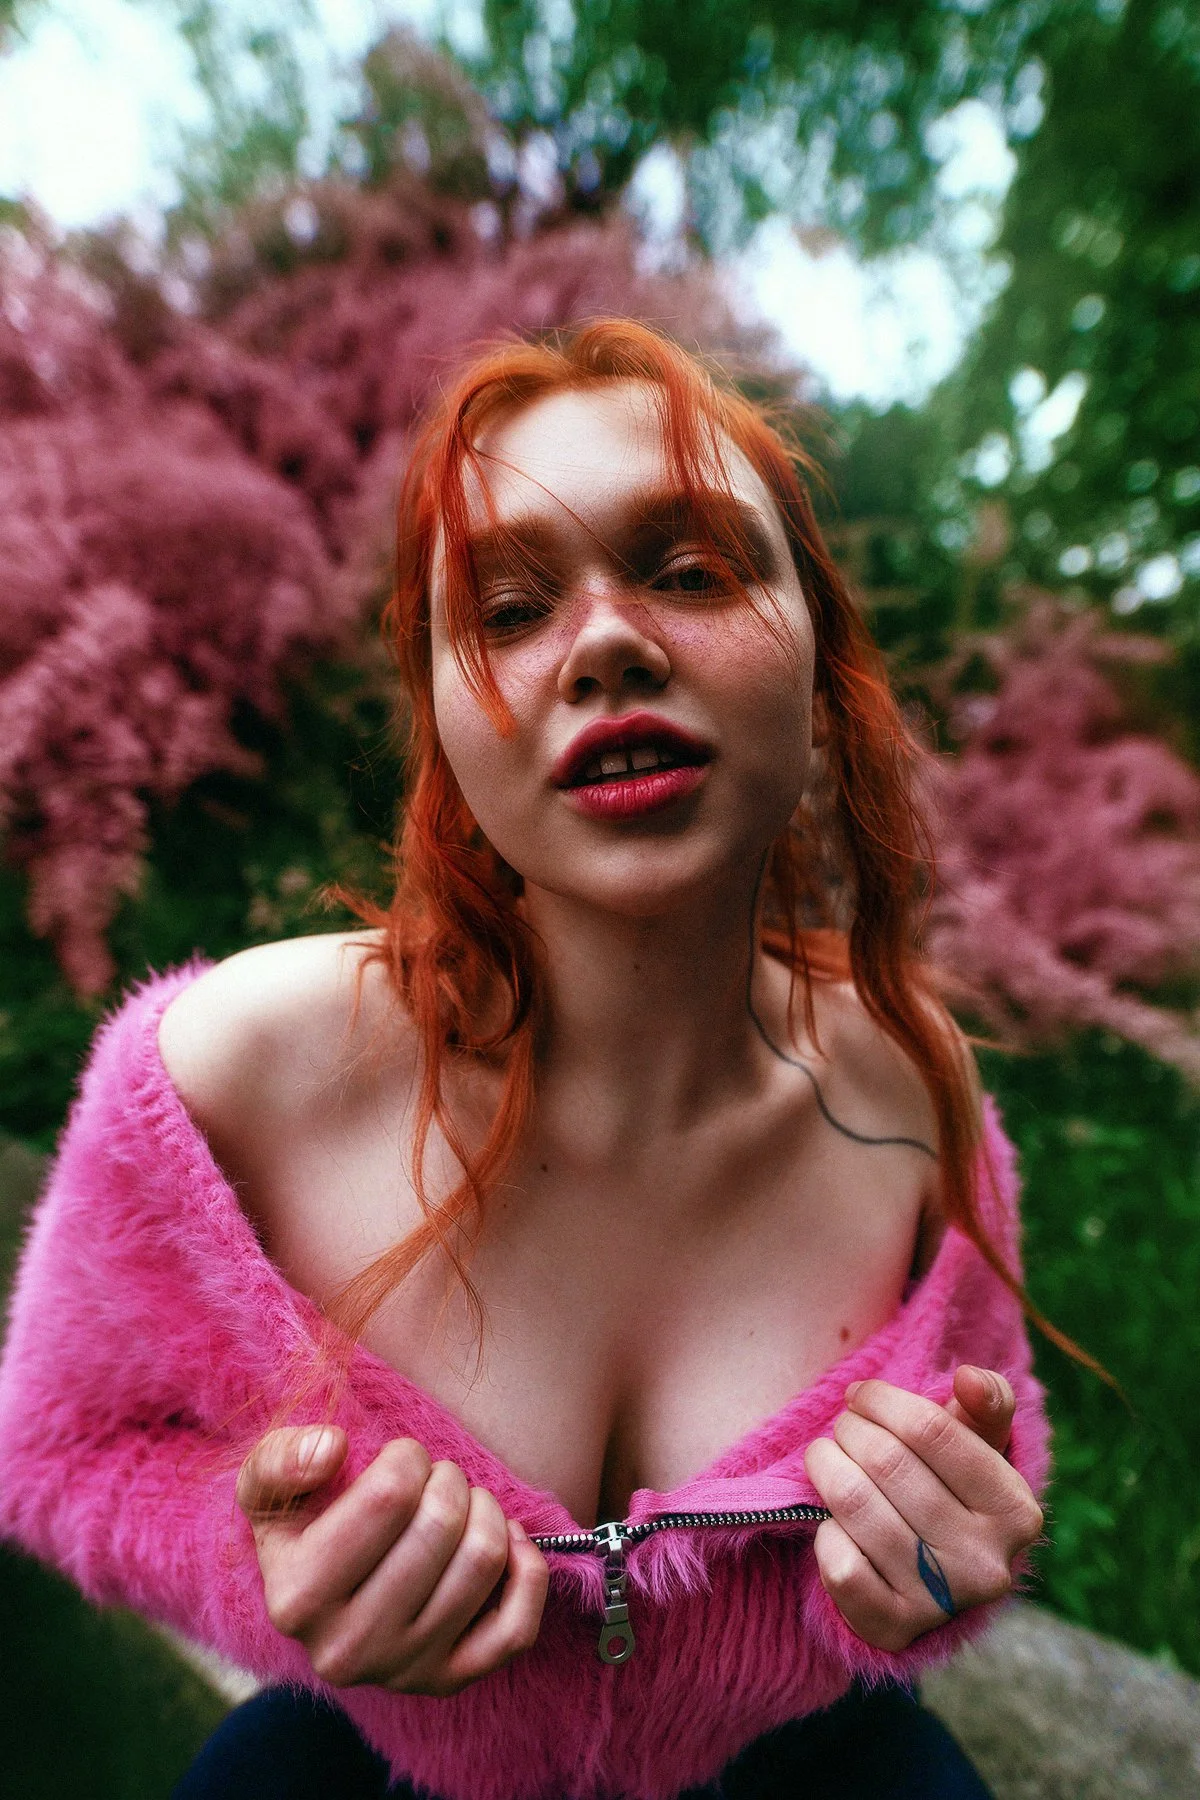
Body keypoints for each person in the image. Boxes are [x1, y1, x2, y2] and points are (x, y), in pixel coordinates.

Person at [0, 320, 1050, 1800]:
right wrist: (261, 1562)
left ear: (817, 666)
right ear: (440, 725)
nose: (609, 643)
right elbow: (54, 1455)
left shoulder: (917, 1096)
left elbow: (998, 1463)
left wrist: (945, 1576)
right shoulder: (225, 1076)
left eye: (690, 572)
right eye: (503, 611)